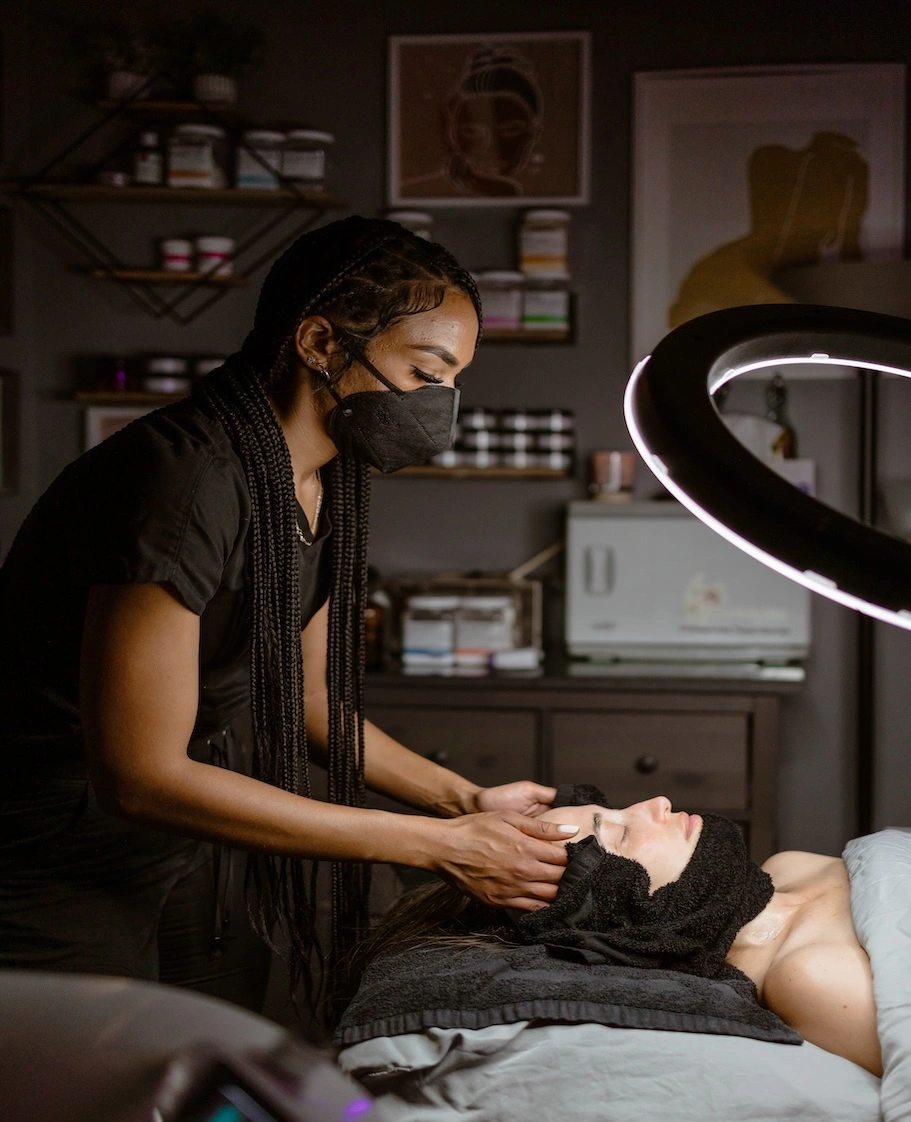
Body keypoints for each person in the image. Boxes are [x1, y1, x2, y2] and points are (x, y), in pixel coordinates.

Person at [0, 216, 577, 1020]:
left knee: (214, 1073)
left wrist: (462, 800)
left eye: (454, 380)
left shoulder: (326, 481)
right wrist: (437, 847)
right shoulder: (183, 482)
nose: (440, 405)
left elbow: (306, 700)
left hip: (193, 848)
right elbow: (138, 774)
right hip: (49, 860)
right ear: (318, 342)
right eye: (424, 370)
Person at [351, 794, 882, 1075]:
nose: (657, 803)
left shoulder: (788, 867)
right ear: (616, 910)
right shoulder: (813, 978)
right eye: (621, 830)